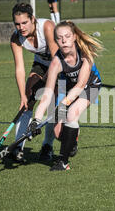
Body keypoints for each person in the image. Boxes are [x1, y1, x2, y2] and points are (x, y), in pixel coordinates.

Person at [28, 20, 104, 171]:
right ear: (56, 40)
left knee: (71, 114)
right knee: (57, 133)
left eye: (67, 36)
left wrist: (63, 104)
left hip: (90, 85)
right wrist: (35, 120)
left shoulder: (85, 53)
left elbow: (81, 85)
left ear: (74, 37)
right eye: (60, 38)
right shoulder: (56, 62)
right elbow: (47, 94)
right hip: (67, 87)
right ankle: (72, 139)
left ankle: (63, 162)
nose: (64, 41)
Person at [10, 3, 59, 162]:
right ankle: (18, 146)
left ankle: (47, 146)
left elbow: (56, 60)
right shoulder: (16, 38)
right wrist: (22, 96)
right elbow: (19, 69)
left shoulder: (47, 27)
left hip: (60, 64)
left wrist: (46, 83)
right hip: (41, 64)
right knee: (28, 98)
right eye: (17, 24)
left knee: (52, 104)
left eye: (24, 23)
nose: (21, 27)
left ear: (33, 19)